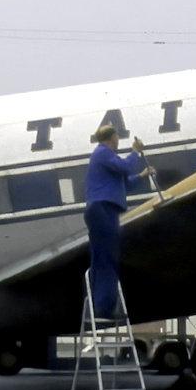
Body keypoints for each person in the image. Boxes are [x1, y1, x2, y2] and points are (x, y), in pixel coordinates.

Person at [84, 124, 149, 320]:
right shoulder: (103, 153)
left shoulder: (106, 158)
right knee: (108, 255)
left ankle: (98, 306)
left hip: (103, 210)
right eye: (117, 138)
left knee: (102, 256)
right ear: (112, 138)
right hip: (103, 210)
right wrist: (135, 152)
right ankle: (104, 308)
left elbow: (124, 182)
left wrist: (142, 175)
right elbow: (125, 166)